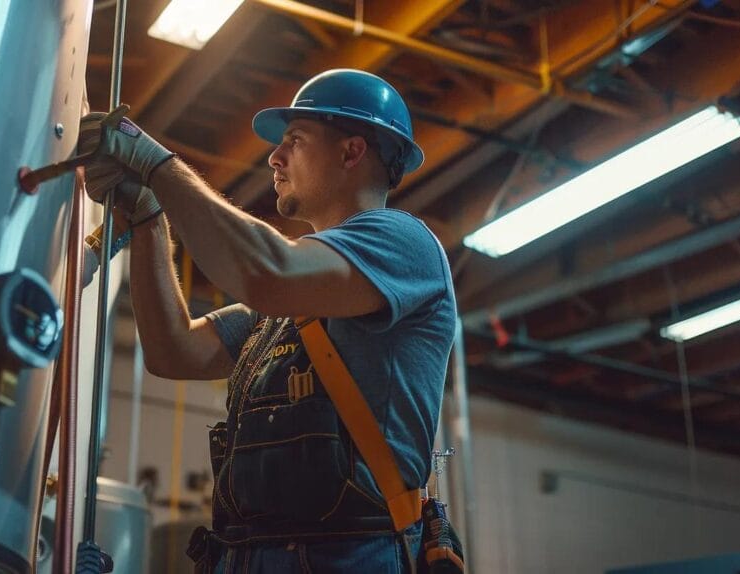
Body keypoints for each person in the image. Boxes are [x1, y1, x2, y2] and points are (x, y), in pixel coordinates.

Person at [80, 69, 457, 573]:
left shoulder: (403, 243)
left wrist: (157, 167)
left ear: (352, 152)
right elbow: (173, 351)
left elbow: (269, 271)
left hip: (351, 554)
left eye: (294, 141)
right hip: (249, 553)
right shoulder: (283, 309)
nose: (274, 158)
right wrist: (150, 218)